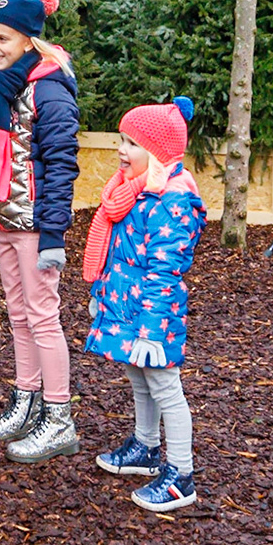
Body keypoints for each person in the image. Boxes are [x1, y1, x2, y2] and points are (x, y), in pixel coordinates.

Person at [0, 0, 81, 462]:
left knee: (43, 318)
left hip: (36, 226)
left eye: (4, 38)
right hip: (6, 222)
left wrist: (54, 236)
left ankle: (59, 419)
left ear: (29, 39)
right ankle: (26, 404)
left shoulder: (49, 89)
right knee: (18, 317)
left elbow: (61, 166)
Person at [85, 97, 207, 513]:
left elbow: (164, 273)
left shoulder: (171, 201)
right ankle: (145, 447)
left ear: (156, 152)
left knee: (165, 388)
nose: (121, 150)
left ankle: (181, 477)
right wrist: (101, 296)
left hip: (154, 315)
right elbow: (122, 256)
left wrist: (152, 331)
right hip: (129, 306)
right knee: (139, 378)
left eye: (132, 143)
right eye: (122, 139)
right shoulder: (135, 191)